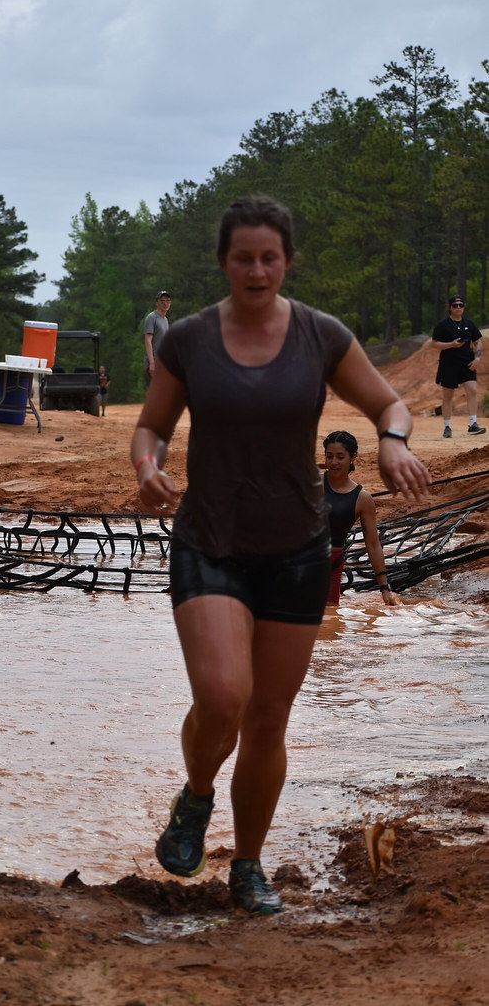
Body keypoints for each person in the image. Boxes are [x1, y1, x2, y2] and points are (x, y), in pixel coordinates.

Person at [130, 194, 429, 916]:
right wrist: (147, 468)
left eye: (270, 257)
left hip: (296, 546)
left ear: (287, 260)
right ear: (224, 262)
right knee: (223, 696)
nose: (257, 270)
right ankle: (197, 796)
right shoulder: (191, 340)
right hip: (211, 540)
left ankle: (249, 865)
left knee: (268, 718)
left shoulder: (321, 336)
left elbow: (391, 406)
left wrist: (392, 439)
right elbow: (151, 427)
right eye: (243, 257)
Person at [323, 430, 402, 607]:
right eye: (329, 456)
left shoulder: (362, 499)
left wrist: (384, 589)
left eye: (340, 457)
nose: (333, 462)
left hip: (332, 566)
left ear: (353, 457)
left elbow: (373, 544)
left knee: (330, 624)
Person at [431, 296, 485, 438]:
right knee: (448, 396)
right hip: (448, 364)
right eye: (455, 305)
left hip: (467, 362)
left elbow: (478, 341)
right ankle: (447, 427)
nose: (458, 307)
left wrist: (478, 357)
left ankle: (473, 424)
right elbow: (434, 344)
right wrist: (451, 345)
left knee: (472, 390)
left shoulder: (469, 324)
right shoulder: (443, 325)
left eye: (461, 305)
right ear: (449, 307)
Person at [143, 291, 172, 386]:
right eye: (162, 301)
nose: (165, 303)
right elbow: (148, 340)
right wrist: (151, 363)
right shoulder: (152, 317)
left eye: (167, 301)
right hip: (155, 361)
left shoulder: (165, 320)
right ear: (157, 303)